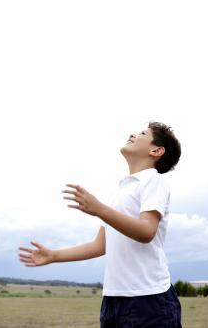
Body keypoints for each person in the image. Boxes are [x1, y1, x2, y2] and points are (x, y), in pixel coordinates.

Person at [18, 121, 182, 328]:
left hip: (148, 298)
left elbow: (147, 231)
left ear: (156, 150)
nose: (132, 133)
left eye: (142, 133)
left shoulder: (153, 180)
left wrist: (100, 209)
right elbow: (100, 245)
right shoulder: (120, 191)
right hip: (114, 299)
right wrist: (54, 255)